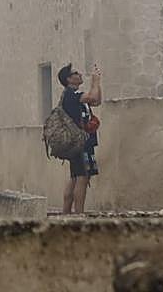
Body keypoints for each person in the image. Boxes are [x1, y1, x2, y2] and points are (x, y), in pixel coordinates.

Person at [58, 62, 102, 213]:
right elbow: (93, 96)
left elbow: (96, 101)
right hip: (81, 143)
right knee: (83, 177)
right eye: (76, 73)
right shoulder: (72, 95)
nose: (80, 75)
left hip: (77, 143)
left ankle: (66, 213)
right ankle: (78, 215)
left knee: (75, 177)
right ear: (69, 79)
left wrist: (97, 84)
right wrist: (95, 82)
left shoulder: (73, 95)